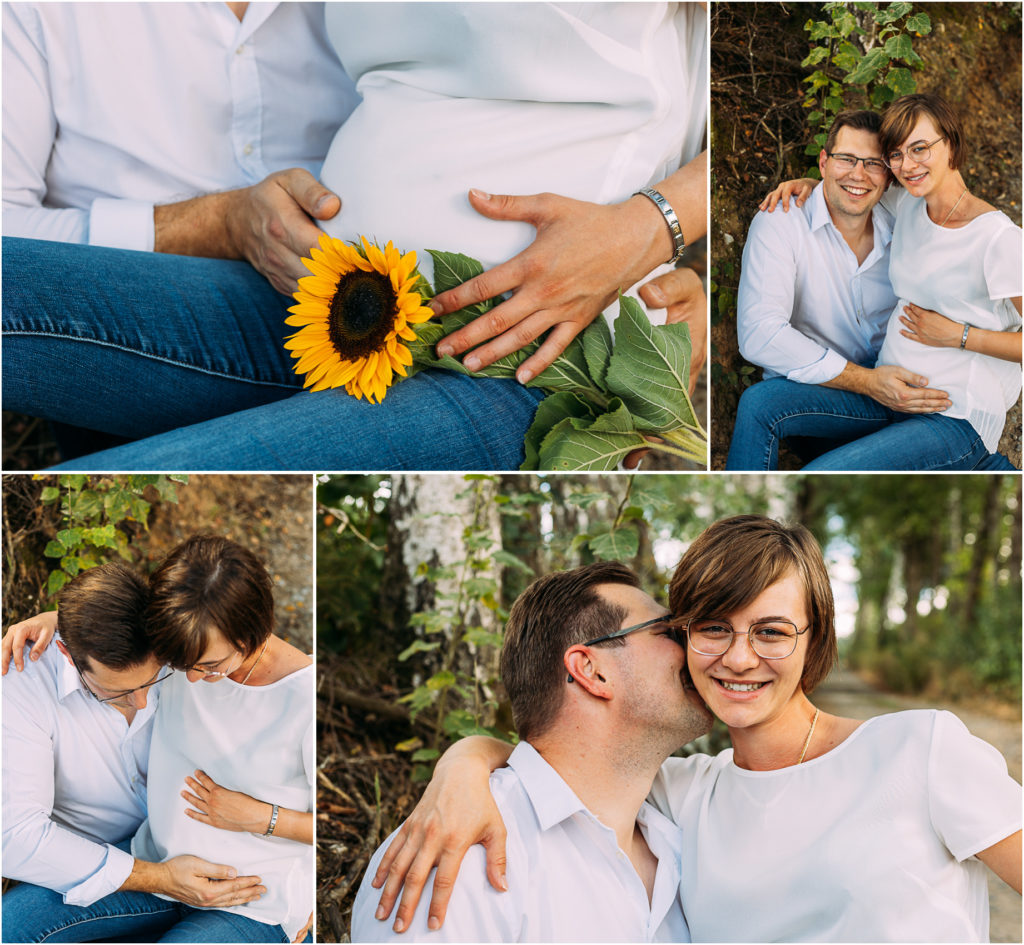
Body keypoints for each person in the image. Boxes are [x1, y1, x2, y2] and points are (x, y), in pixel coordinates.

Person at [3, 1, 707, 471]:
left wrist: (656, 227)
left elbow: (740, 81)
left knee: (124, 478)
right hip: (329, 304)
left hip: (518, 351)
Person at [365, 516, 1022, 942]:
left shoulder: (918, 749)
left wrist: (463, 765)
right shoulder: (679, 797)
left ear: (813, 636)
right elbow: (558, 767)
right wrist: (466, 765)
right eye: (709, 627)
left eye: (771, 630)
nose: (737, 658)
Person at [350, 561, 713, 942]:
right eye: (669, 631)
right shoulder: (465, 855)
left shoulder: (683, 831)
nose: (696, 647)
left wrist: (468, 755)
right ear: (591, 670)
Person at [3, 536, 316, 943]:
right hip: (154, 860)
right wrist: (56, 621)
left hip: (252, 894)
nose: (189, 678)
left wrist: (264, 818)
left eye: (208, 666)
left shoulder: (295, 693)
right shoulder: (184, 653)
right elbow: (110, 620)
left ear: (249, 634)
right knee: (11, 929)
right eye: (182, 664)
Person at [731, 94, 1021, 470]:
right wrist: (816, 183)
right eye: (897, 155)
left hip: (950, 412)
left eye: (919, 149)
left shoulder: (999, 239)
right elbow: (853, 187)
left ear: (950, 144)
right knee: (759, 404)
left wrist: (960, 336)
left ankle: (985, 467)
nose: (907, 165)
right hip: (887, 393)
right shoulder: (909, 206)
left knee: (819, 474)